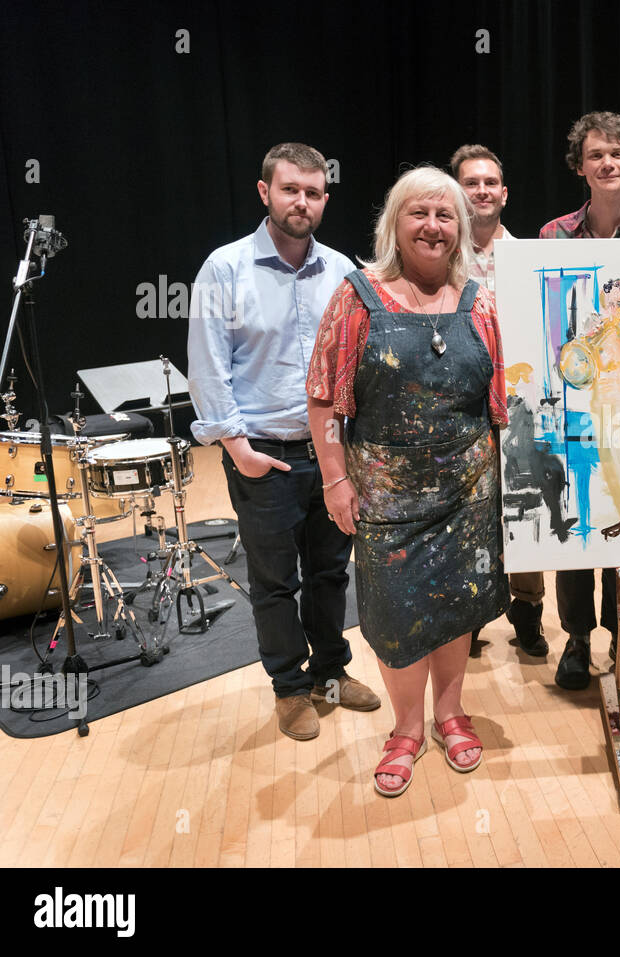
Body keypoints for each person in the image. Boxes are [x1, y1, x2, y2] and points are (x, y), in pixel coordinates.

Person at [306, 166, 509, 796]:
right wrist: (335, 481)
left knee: (457, 608)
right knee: (396, 616)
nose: (433, 226)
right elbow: (322, 399)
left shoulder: (479, 302)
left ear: (461, 229)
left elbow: (500, 401)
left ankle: (450, 714)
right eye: (419, 213)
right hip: (388, 499)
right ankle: (407, 728)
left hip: (470, 493)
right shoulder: (357, 295)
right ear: (395, 222)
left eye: (445, 215)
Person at [188, 142, 380, 743]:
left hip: (329, 453)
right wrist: (237, 448)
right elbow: (207, 365)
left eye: (314, 192)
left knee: (330, 573)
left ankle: (330, 673)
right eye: (291, 189)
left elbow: (358, 360)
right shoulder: (225, 268)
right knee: (274, 582)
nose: (303, 201)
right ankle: (289, 688)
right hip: (262, 455)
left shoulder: (344, 271)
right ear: (265, 192)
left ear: (326, 198)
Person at [540, 110, 620, 691]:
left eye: (618, 153)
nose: (608, 163)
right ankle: (575, 640)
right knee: (576, 525)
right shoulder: (550, 237)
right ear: (580, 167)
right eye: (596, 154)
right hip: (574, 401)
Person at [450, 143, 547, 658]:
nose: (482, 191)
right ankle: (468, 621)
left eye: (490, 183)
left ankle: (528, 615)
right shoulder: (439, 256)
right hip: (462, 408)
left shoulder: (529, 255)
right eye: (471, 183)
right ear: (456, 191)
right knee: (469, 514)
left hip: (522, 404)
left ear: (504, 194)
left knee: (525, 506)